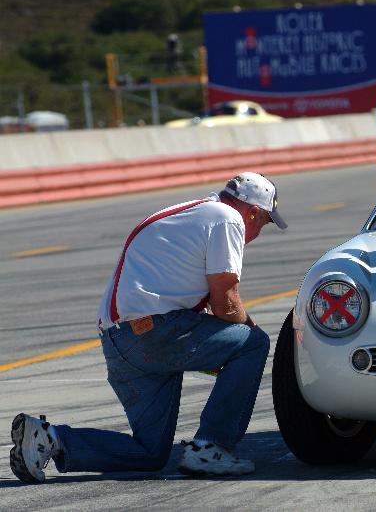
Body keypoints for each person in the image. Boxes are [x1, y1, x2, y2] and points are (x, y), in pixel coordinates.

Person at [10, 172, 287, 482]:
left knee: (150, 452)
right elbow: (226, 302)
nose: (258, 232)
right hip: (157, 332)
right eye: (263, 223)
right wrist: (246, 337)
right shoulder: (227, 219)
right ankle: (212, 446)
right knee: (253, 343)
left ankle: (49, 439)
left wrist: (219, 357)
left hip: (120, 341)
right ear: (252, 212)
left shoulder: (193, 212)